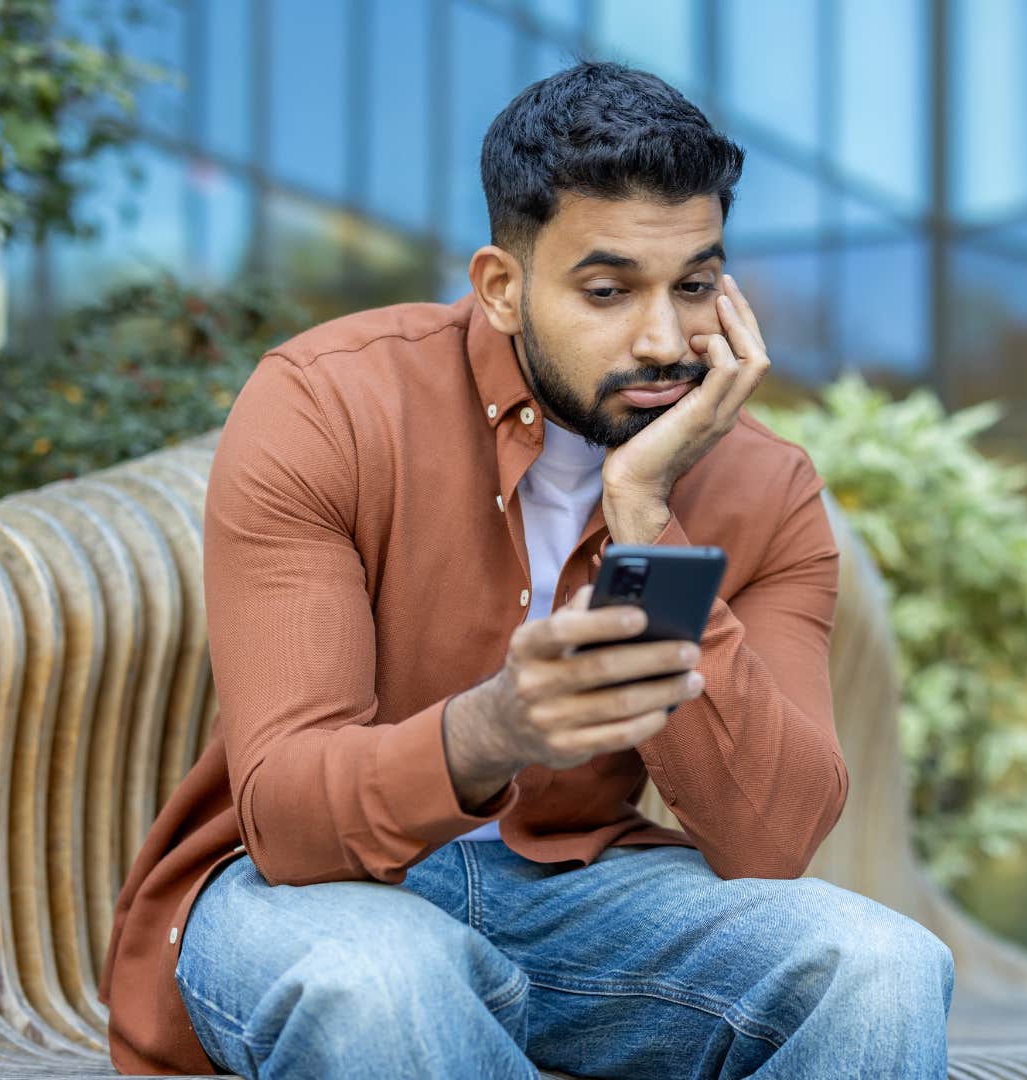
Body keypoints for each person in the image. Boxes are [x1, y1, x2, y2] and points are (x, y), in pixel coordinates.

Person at [98, 60, 954, 1079]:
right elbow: (288, 821)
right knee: (383, 982)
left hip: (579, 895)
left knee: (881, 968)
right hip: (318, 896)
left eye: (693, 286)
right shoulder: (332, 404)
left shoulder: (764, 487)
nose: (664, 340)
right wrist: (492, 731)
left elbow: (770, 838)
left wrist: (646, 521)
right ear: (502, 288)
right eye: (608, 291)